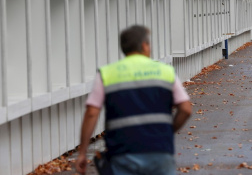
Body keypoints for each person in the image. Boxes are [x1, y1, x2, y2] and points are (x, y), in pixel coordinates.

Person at [75, 25, 192, 175]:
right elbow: (186, 109)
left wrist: (83, 152)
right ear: (144, 45)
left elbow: (91, 112)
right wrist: (168, 131)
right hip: (160, 151)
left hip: (122, 152)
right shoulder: (166, 72)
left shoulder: (107, 74)